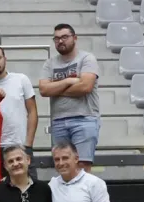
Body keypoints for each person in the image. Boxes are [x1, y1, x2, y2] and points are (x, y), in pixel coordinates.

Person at [39, 24, 101, 171]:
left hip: (84, 119)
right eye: (56, 38)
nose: (60, 41)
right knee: (63, 167)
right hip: (58, 121)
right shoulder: (50, 63)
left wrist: (55, 89)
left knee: (82, 165)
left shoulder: (87, 59)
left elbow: (85, 87)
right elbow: (43, 89)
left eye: (64, 37)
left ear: (75, 38)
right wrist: (68, 81)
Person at [0, 44, 38, 179]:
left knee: (30, 187)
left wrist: (28, 144)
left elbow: (32, 112)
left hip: (20, 146)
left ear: (5, 59)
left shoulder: (21, 80)